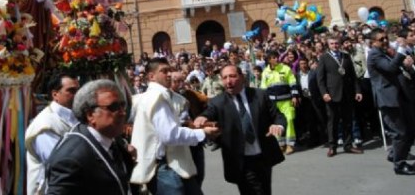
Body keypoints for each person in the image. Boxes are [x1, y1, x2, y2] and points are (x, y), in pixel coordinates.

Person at [130, 57, 220, 195]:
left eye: (169, 70)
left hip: (172, 164)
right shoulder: (156, 97)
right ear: (151, 76)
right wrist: (203, 133)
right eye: (164, 71)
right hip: (164, 167)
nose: (169, 74)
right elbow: (170, 135)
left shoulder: (156, 96)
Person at [194, 64, 286, 195]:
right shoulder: (217, 102)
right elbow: (209, 112)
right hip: (240, 160)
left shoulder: (259, 95)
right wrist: (202, 117)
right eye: (224, 77)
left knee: (265, 190)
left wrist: (278, 125)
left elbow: (278, 115)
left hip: (263, 156)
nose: (228, 81)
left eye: (232, 76)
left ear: (242, 77)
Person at [45, 80, 133, 195]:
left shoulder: (112, 140)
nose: (122, 113)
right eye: (114, 107)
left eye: (123, 105)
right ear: (90, 115)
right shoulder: (71, 159)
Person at [367, 28, 415, 175]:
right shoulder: (374, 55)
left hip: (399, 96)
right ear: (373, 42)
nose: (385, 41)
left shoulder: (384, 53)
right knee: (399, 132)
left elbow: (396, 69)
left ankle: (396, 154)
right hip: (388, 99)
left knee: (410, 129)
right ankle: (399, 164)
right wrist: (400, 51)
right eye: (381, 39)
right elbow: (390, 68)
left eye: (386, 38)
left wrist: (404, 61)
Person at [25, 74, 80, 194]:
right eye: (71, 91)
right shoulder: (45, 125)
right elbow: (59, 163)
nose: (77, 95)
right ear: (55, 94)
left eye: (78, 90)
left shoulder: (76, 115)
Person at [316, 35, 363, 157]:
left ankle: (348, 145)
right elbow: (320, 79)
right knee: (333, 122)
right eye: (332, 44)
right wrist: (324, 93)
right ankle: (333, 147)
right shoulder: (324, 58)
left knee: (348, 120)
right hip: (332, 95)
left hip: (347, 94)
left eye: (336, 43)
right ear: (328, 45)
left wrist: (358, 91)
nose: (334, 46)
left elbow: (353, 76)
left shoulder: (346, 56)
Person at [260, 51, 299, 155]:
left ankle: (290, 144)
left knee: (290, 120)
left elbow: (292, 82)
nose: (276, 59)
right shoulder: (265, 72)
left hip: (286, 101)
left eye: (276, 57)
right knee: (277, 124)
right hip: (273, 103)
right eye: (273, 58)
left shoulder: (285, 68)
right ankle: (281, 144)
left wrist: (295, 96)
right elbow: (263, 88)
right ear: (268, 60)